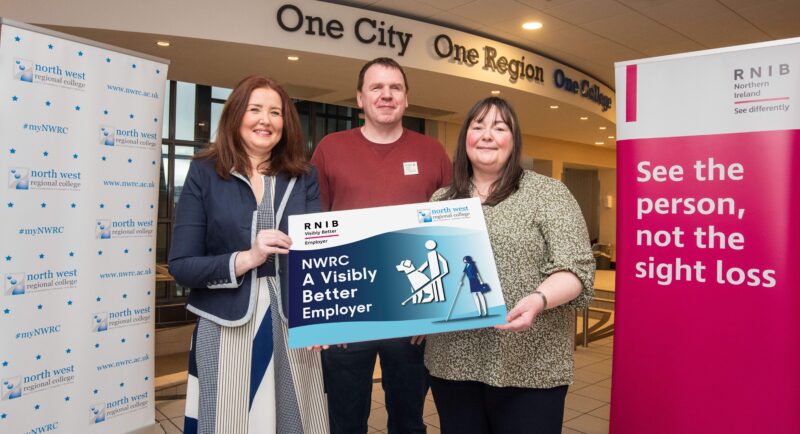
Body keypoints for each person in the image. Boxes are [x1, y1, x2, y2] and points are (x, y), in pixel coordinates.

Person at [168, 75, 328, 434]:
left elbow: (319, 255)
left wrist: (321, 316)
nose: (265, 120)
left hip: (292, 322)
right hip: (225, 324)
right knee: (228, 422)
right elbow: (182, 266)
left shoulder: (304, 176)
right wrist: (246, 258)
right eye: (255, 109)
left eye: (275, 112)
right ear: (236, 115)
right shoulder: (204, 173)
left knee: (295, 419)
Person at [425, 97, 595, 434]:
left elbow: (576, 269)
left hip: (530, 364)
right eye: (478, 127)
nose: (487, 135)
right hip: (453, 362)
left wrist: (539, 299)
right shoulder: (441, 201)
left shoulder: (548, 194)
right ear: (465, 139)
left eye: (499, 128)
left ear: (513, 141)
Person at [311, 57, 452, 434]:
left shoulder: (433, 152)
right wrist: (325, 313)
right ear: (360, 98)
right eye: (376, 87)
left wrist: (434, 313)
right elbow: (312, 230)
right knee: (345, 419)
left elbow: (451, 230)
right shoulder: (329, 148)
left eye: (395, 88)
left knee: (408, 420)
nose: (386, 95)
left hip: (412, 317)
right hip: (347, 314)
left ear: (406, 99)